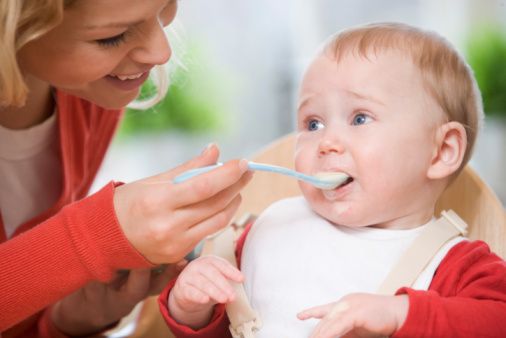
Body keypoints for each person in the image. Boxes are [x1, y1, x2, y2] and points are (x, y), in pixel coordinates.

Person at [159, 22, 506, 337]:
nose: (326, 143)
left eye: (359, 118)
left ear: (441, 151)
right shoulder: (269, 228)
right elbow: (223, 322)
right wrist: (191, 308)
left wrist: (401, 314)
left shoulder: (455, 264)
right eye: (313, 124)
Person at [0, 0, 253, 336]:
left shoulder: (89, 95)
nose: (161, 51)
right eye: (111, 37)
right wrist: (95, 237)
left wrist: (66, 322)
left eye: (166, 6)